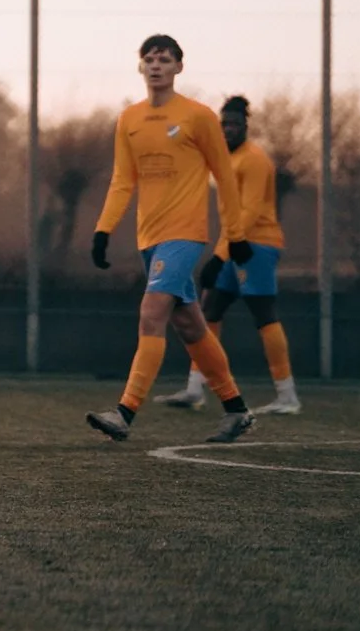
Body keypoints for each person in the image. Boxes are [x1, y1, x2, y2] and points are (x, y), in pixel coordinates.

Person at [87, 34, 255, 444]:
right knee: (190, 326)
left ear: (179, 67)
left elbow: (225, 177)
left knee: (151, 312)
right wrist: (103, 229)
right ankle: (236, 410)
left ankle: (124, 412)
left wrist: (234, 236)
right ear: (140, 67)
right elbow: (123, 180)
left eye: (165, 59)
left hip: (185, 234)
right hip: (151, 238)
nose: (156, 65)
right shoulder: (129, 119)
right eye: (149, 59)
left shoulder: (198, 117)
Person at [155, 96, 300, 415]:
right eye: (225, 124)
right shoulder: (222, 157)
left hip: (256, 245)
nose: (229, 130)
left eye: (235, 124)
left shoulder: (255, 161)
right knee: (209, 311)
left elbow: (249, 212)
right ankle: (195, 388)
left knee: (264, 314)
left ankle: (287, 394)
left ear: (245, 127)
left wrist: (219, 257)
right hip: (231, 244)